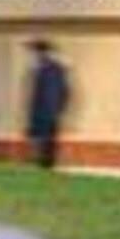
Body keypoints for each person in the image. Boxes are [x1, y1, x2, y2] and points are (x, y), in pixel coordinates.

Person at [25, 39, 70, 168]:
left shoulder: (53, 69)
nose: (34, 55)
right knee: (39, 138)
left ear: (43, 53)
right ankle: (41, 162)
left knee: (46, 140)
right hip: (41, 111)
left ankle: (46, 164)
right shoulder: (40, 69)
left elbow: (56, 92)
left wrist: (53, 112)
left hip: (47, 112)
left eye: (36, 52)